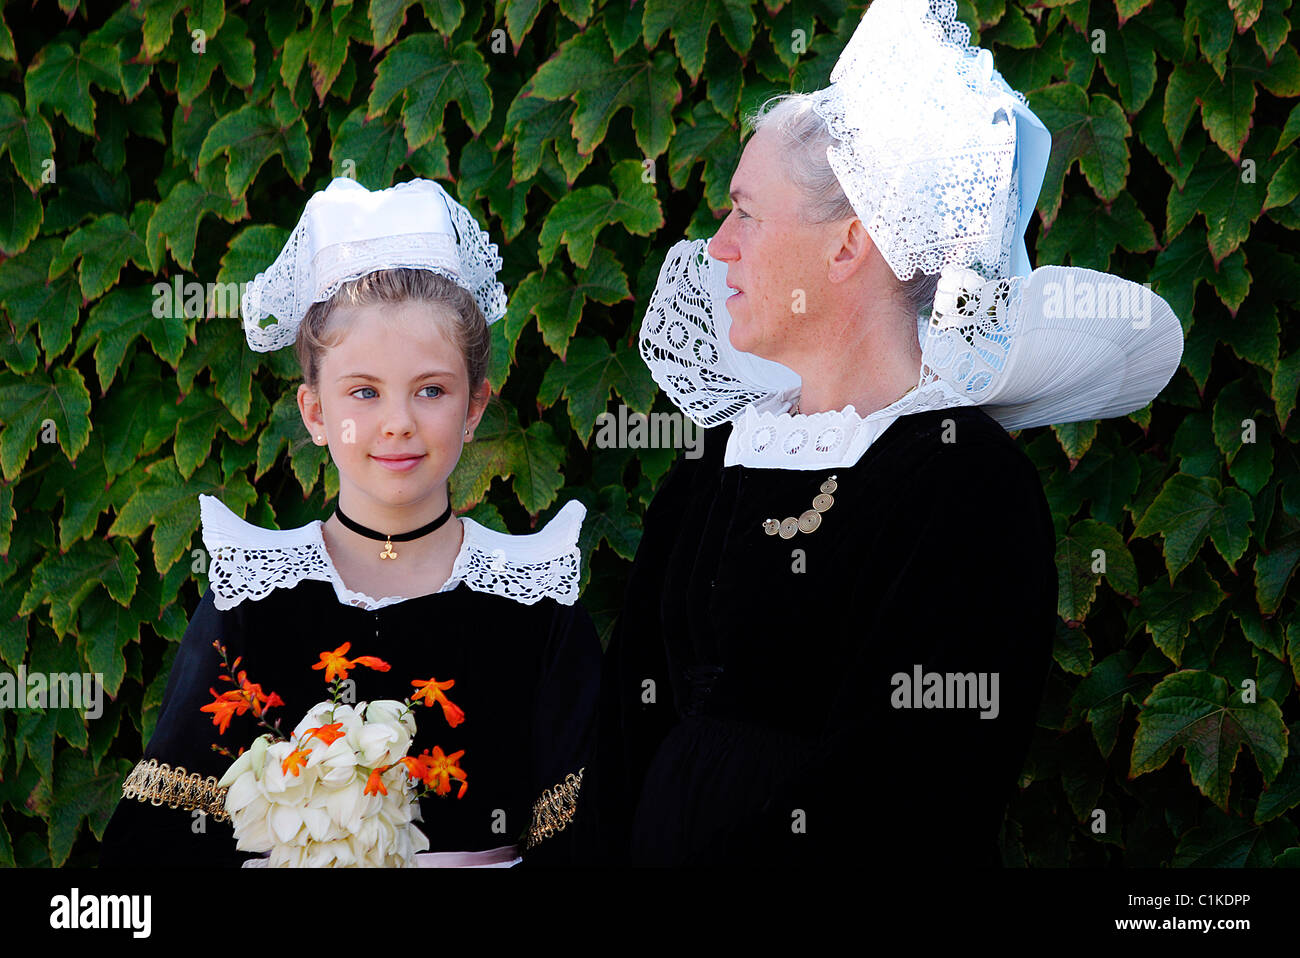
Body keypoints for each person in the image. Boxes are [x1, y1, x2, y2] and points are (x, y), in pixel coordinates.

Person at [588, 0, 1184, 865]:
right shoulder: (721, 457)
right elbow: (624, 726)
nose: (718, 246)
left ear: (848, 246)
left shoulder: (965, 488)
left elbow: (913, 788)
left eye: (746, 213)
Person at [100, 178, 599, 867]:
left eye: (431, 390)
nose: (397, 421)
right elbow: (158, 846)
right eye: (363, 392)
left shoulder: (534, 604)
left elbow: (581, 842)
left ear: (475, 405)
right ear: (313, 412)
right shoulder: (254, 602)